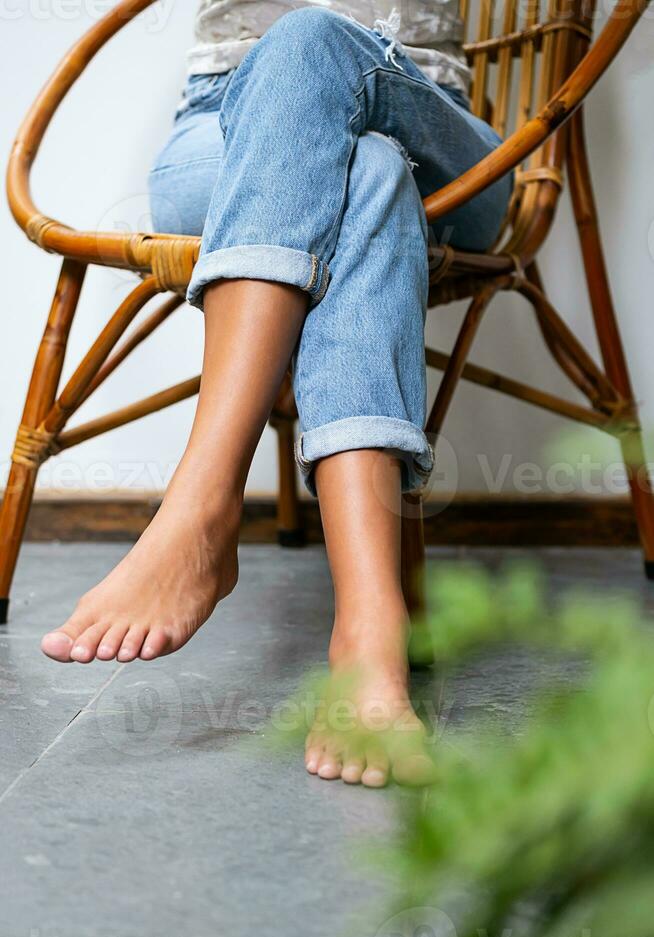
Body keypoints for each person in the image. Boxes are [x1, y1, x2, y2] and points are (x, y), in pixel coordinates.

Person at [41, 0, 511, 786]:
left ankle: (200, 506)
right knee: (368, 173)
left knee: (312, 38)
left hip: (441, 132)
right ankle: (369, 631)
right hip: (224, 126)